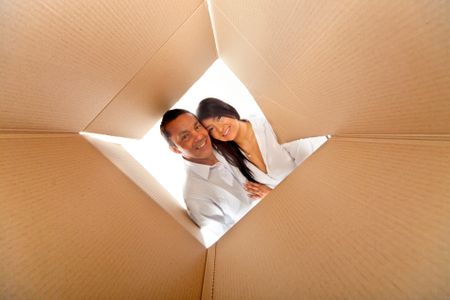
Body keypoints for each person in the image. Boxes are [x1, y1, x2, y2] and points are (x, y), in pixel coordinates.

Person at [159, 109, 269, 239]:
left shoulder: (225, 139)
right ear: (175, 149)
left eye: (197, 127)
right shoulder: (195, 195)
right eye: (185, 136)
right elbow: (227, 242)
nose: (199, 136)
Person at [197, 98, 327, 189]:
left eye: (219, 118)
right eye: (211, 129)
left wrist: (273, 193)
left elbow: (313, 165)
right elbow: (257, 195)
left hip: (322, 183)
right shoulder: (233, 159)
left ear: (228, 111)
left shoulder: (271, 124)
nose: (220, 129)